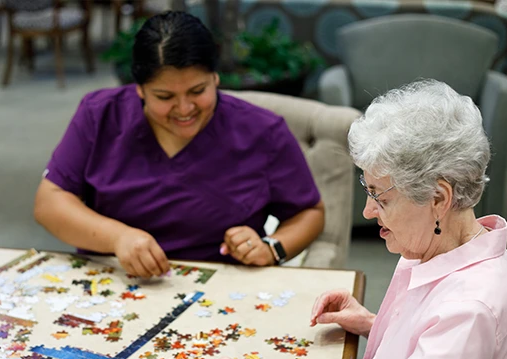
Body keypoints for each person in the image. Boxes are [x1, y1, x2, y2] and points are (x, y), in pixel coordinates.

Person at [197, 80, 507, 359]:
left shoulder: (472, 309)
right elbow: (441, 346)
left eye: (381, 197)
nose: (367, 211)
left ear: (439, 198)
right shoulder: (444, 244)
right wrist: (372, 322)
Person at [33, 11, 325, 278]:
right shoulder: (100, 114)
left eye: (198, 91)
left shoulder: (263, 131)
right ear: (139, 89)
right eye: (164, 97)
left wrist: (271, 247)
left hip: (223, 287)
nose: (184, 109)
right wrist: (118, 237)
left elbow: (309, 212)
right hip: (114, 280)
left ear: (215, 78)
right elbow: (49, 202)